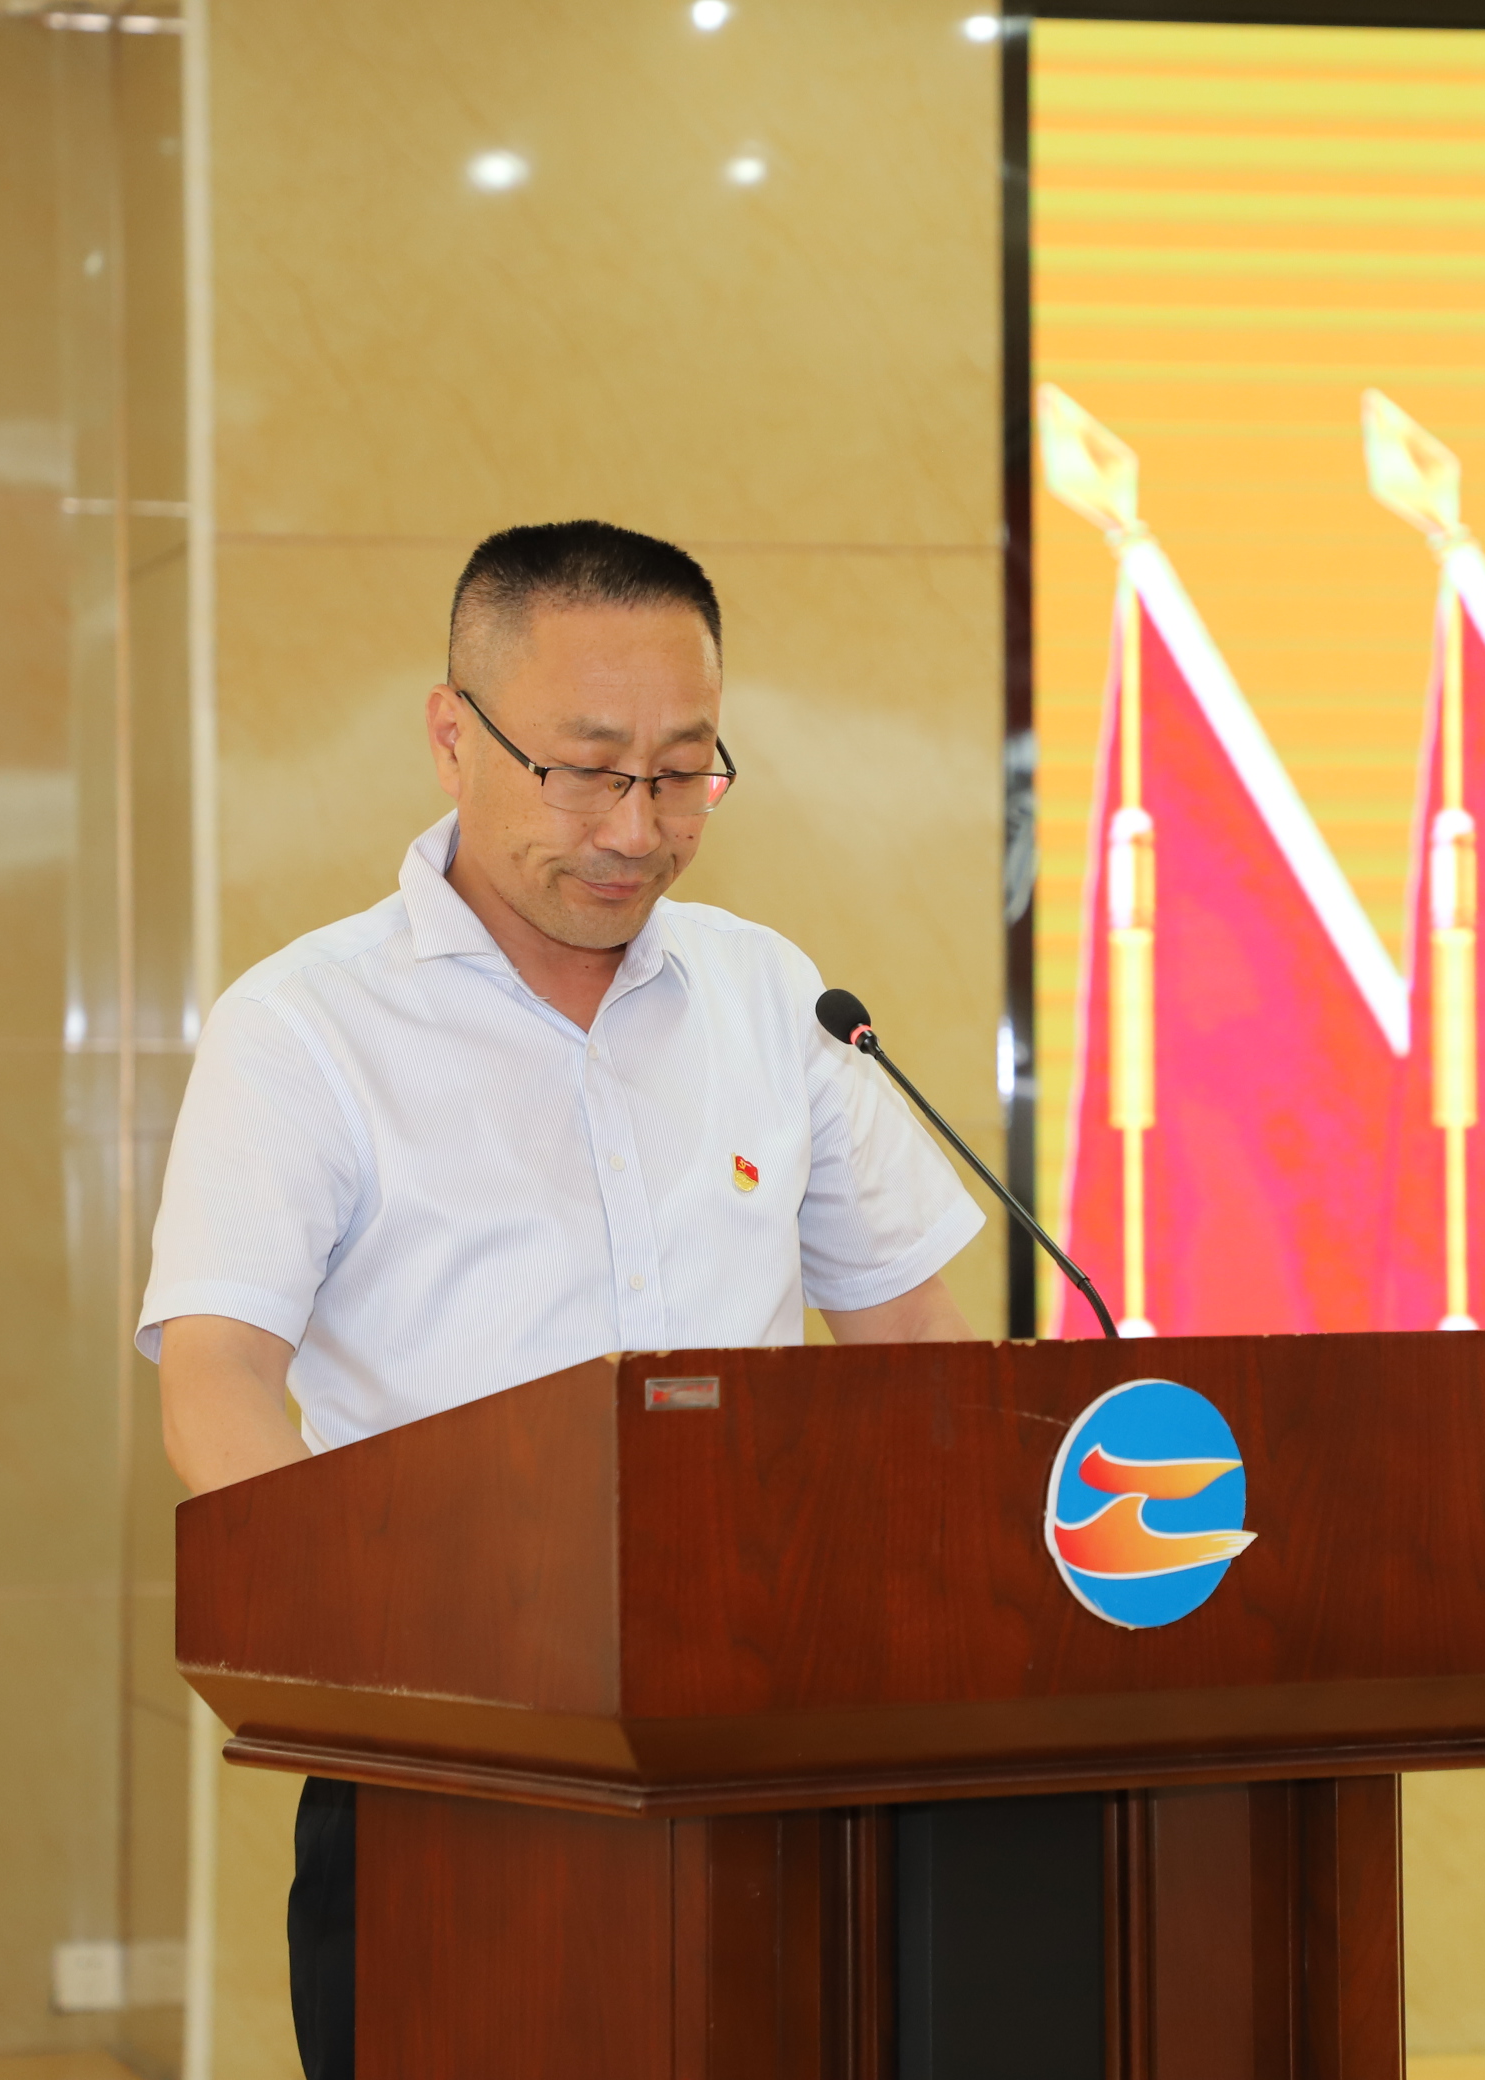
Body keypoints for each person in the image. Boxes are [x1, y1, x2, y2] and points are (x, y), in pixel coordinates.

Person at [136, 519, 983, 2080]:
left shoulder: (775, 998)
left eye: (683, 772)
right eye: (586, 770)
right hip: (452, 1761)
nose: (635, 827)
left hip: (768, 1754)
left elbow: (920, 1355)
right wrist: (369, 1640)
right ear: (452, 735)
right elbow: (217, 1382)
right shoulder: (307, 1027)